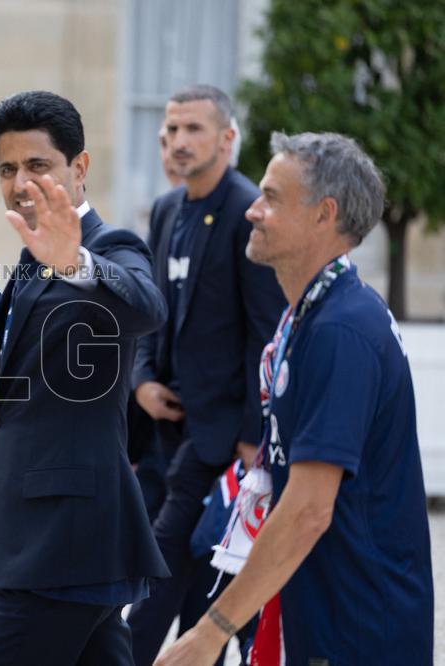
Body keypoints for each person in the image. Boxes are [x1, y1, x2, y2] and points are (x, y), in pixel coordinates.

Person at [156, 131, 434, 666]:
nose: (252, 210)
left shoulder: (341, 329)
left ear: (324, 214)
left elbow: (308, 509)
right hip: (318, 610)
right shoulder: (311, 315)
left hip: (355, 625)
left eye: (271, 197)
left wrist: (211, 632)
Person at [0, 91, 169, 665]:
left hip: (63, 548)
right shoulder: (32, 261)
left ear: (79, 168)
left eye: (38, 165)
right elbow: (24, 407)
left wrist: (74, 261)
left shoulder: (105, 248)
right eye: (7, 169)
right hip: (62, 544)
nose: (20, 183)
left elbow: (148, 306)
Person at [126, 85, 284, 666]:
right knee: (195, 580)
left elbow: (265, 334)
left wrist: (252, 436)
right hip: (163, 431)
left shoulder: (248, 213)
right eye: (171, 129)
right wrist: (142, 379)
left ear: (227, 138)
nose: (178, 141)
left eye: (193, 129)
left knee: (158, 567)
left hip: (220, 438)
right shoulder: (168, 208)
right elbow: (149, 311)